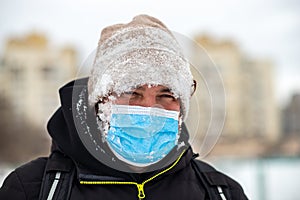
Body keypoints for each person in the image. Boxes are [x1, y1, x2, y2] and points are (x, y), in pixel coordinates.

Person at [0, 14, 248, 200]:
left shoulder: (220, 192)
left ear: (182, 108)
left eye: (166, 95)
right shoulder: (30, 189)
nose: (149, 108)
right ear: (98, 102)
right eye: (131, 92)